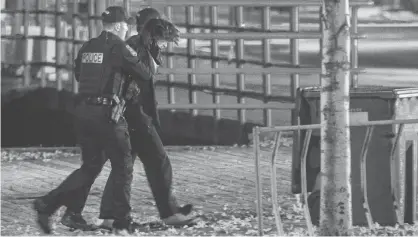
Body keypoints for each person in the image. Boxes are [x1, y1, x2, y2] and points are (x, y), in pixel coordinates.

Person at [33, 6, 156, 234]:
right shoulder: (120, 47)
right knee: (124, 166)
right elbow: (145, 74)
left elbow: (80, 74)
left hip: (83, 113)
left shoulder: (88, 46)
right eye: (126, 26)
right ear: (120, 26)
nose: (128, 29)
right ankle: (121, 219)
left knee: (90, 167)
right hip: (107, 114)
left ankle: (57, 209)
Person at [97, 8, 197, 230]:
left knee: (124, 167)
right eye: (162, 38)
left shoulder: (140, 46)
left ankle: (109, 216)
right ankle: (170, 214)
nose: (164, 44)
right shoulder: (137, 47)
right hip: (135, 116)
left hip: (128, 115)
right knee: (159, 162)